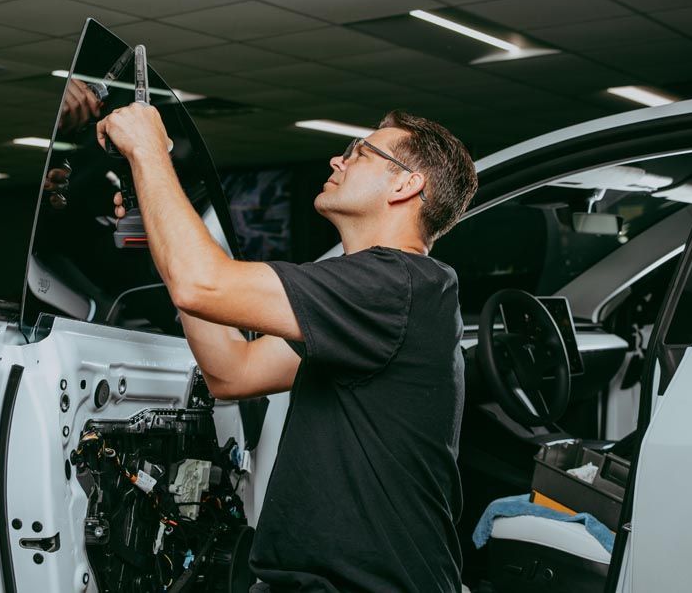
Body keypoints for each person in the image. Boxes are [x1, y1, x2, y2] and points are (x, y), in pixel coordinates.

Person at [97, 105, 478, 592]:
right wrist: (160, 230)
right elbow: (233, 372)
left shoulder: (395, 285)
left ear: (405, 185)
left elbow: (202, 285)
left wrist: (147, 150)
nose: (336, 162)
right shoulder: (377, 301)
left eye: (358, 153)